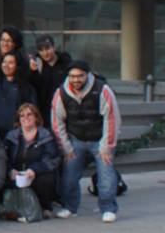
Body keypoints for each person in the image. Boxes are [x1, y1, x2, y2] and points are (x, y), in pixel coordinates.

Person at [51, 60, 121, 223]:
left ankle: (108, 208)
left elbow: (112, 118)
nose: (76, 80)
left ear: (87, 75)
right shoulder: (61, 93)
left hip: (100, 140)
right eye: (72, 76)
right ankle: (70, 207)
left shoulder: (102, 89)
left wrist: (107, 146)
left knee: (106, 177)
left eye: (80, 76)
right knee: (69, 177)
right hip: (76, 140)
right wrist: (66, 148)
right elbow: (57, 121)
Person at [3, 104, 60, 219]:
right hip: (17, 175)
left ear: (36, 117)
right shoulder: (11, 136)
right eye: (22, 115)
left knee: (46, 180)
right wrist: (10, 170)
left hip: (36, 175)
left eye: (29, 114)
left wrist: (34, 170)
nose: (25, 118)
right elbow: (3, 158)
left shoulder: (46, 135)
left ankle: (45, 207)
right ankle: (14, 209)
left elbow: (53, 159)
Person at [29, 35, 71, 123]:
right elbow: (34, 88)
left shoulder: (66, 62)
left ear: (54, 47)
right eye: (41, 50)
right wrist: (33, 72)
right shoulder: (37, 64)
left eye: (47, 48)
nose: (45, 53)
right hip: (44, 112)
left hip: (64, 109)